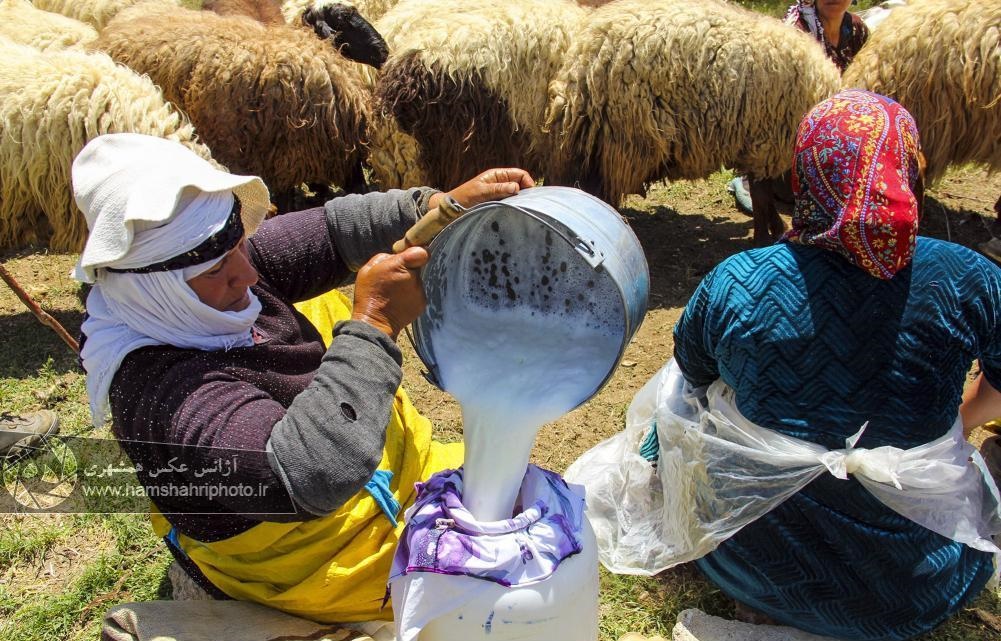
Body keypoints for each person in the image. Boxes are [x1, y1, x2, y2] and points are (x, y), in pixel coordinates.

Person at [70, 133, 534, 623]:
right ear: (156, 288)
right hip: (313, 557)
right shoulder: (160, 392)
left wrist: (441, 207)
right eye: (219, 269)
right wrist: (373, 323)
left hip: (374, 479)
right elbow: (307, 474)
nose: (247, 274)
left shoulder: (203, 284)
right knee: (490, 590)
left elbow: (334, 230)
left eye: (240, 248)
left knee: (519, 494)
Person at [674, 91, 1001, 640]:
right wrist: (954, 429)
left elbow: (693, 376)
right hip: (918, 586)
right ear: (910, 175)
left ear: (804, 176)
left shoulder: (738, 281)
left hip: (756, 569)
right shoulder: (969, 279)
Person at [729, 0, 870, 239]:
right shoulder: (794, 34)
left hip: (843, 131)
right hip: (794, 142)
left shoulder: (857, 30)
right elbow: (769, 111)